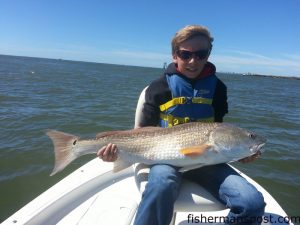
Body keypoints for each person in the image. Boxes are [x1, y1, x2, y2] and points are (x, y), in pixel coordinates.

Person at [97, 25, 265, 225]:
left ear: (208, 54)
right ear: (174, 55)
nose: (193, 61)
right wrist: (118, 153)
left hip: (208, 162)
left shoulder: (218, 89)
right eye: (185, 54)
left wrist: (240, 154)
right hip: (164, 159)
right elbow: (141, 133)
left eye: (201, 54)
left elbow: (221, 129)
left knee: (252, 203)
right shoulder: (158, 88)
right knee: (160, 184)